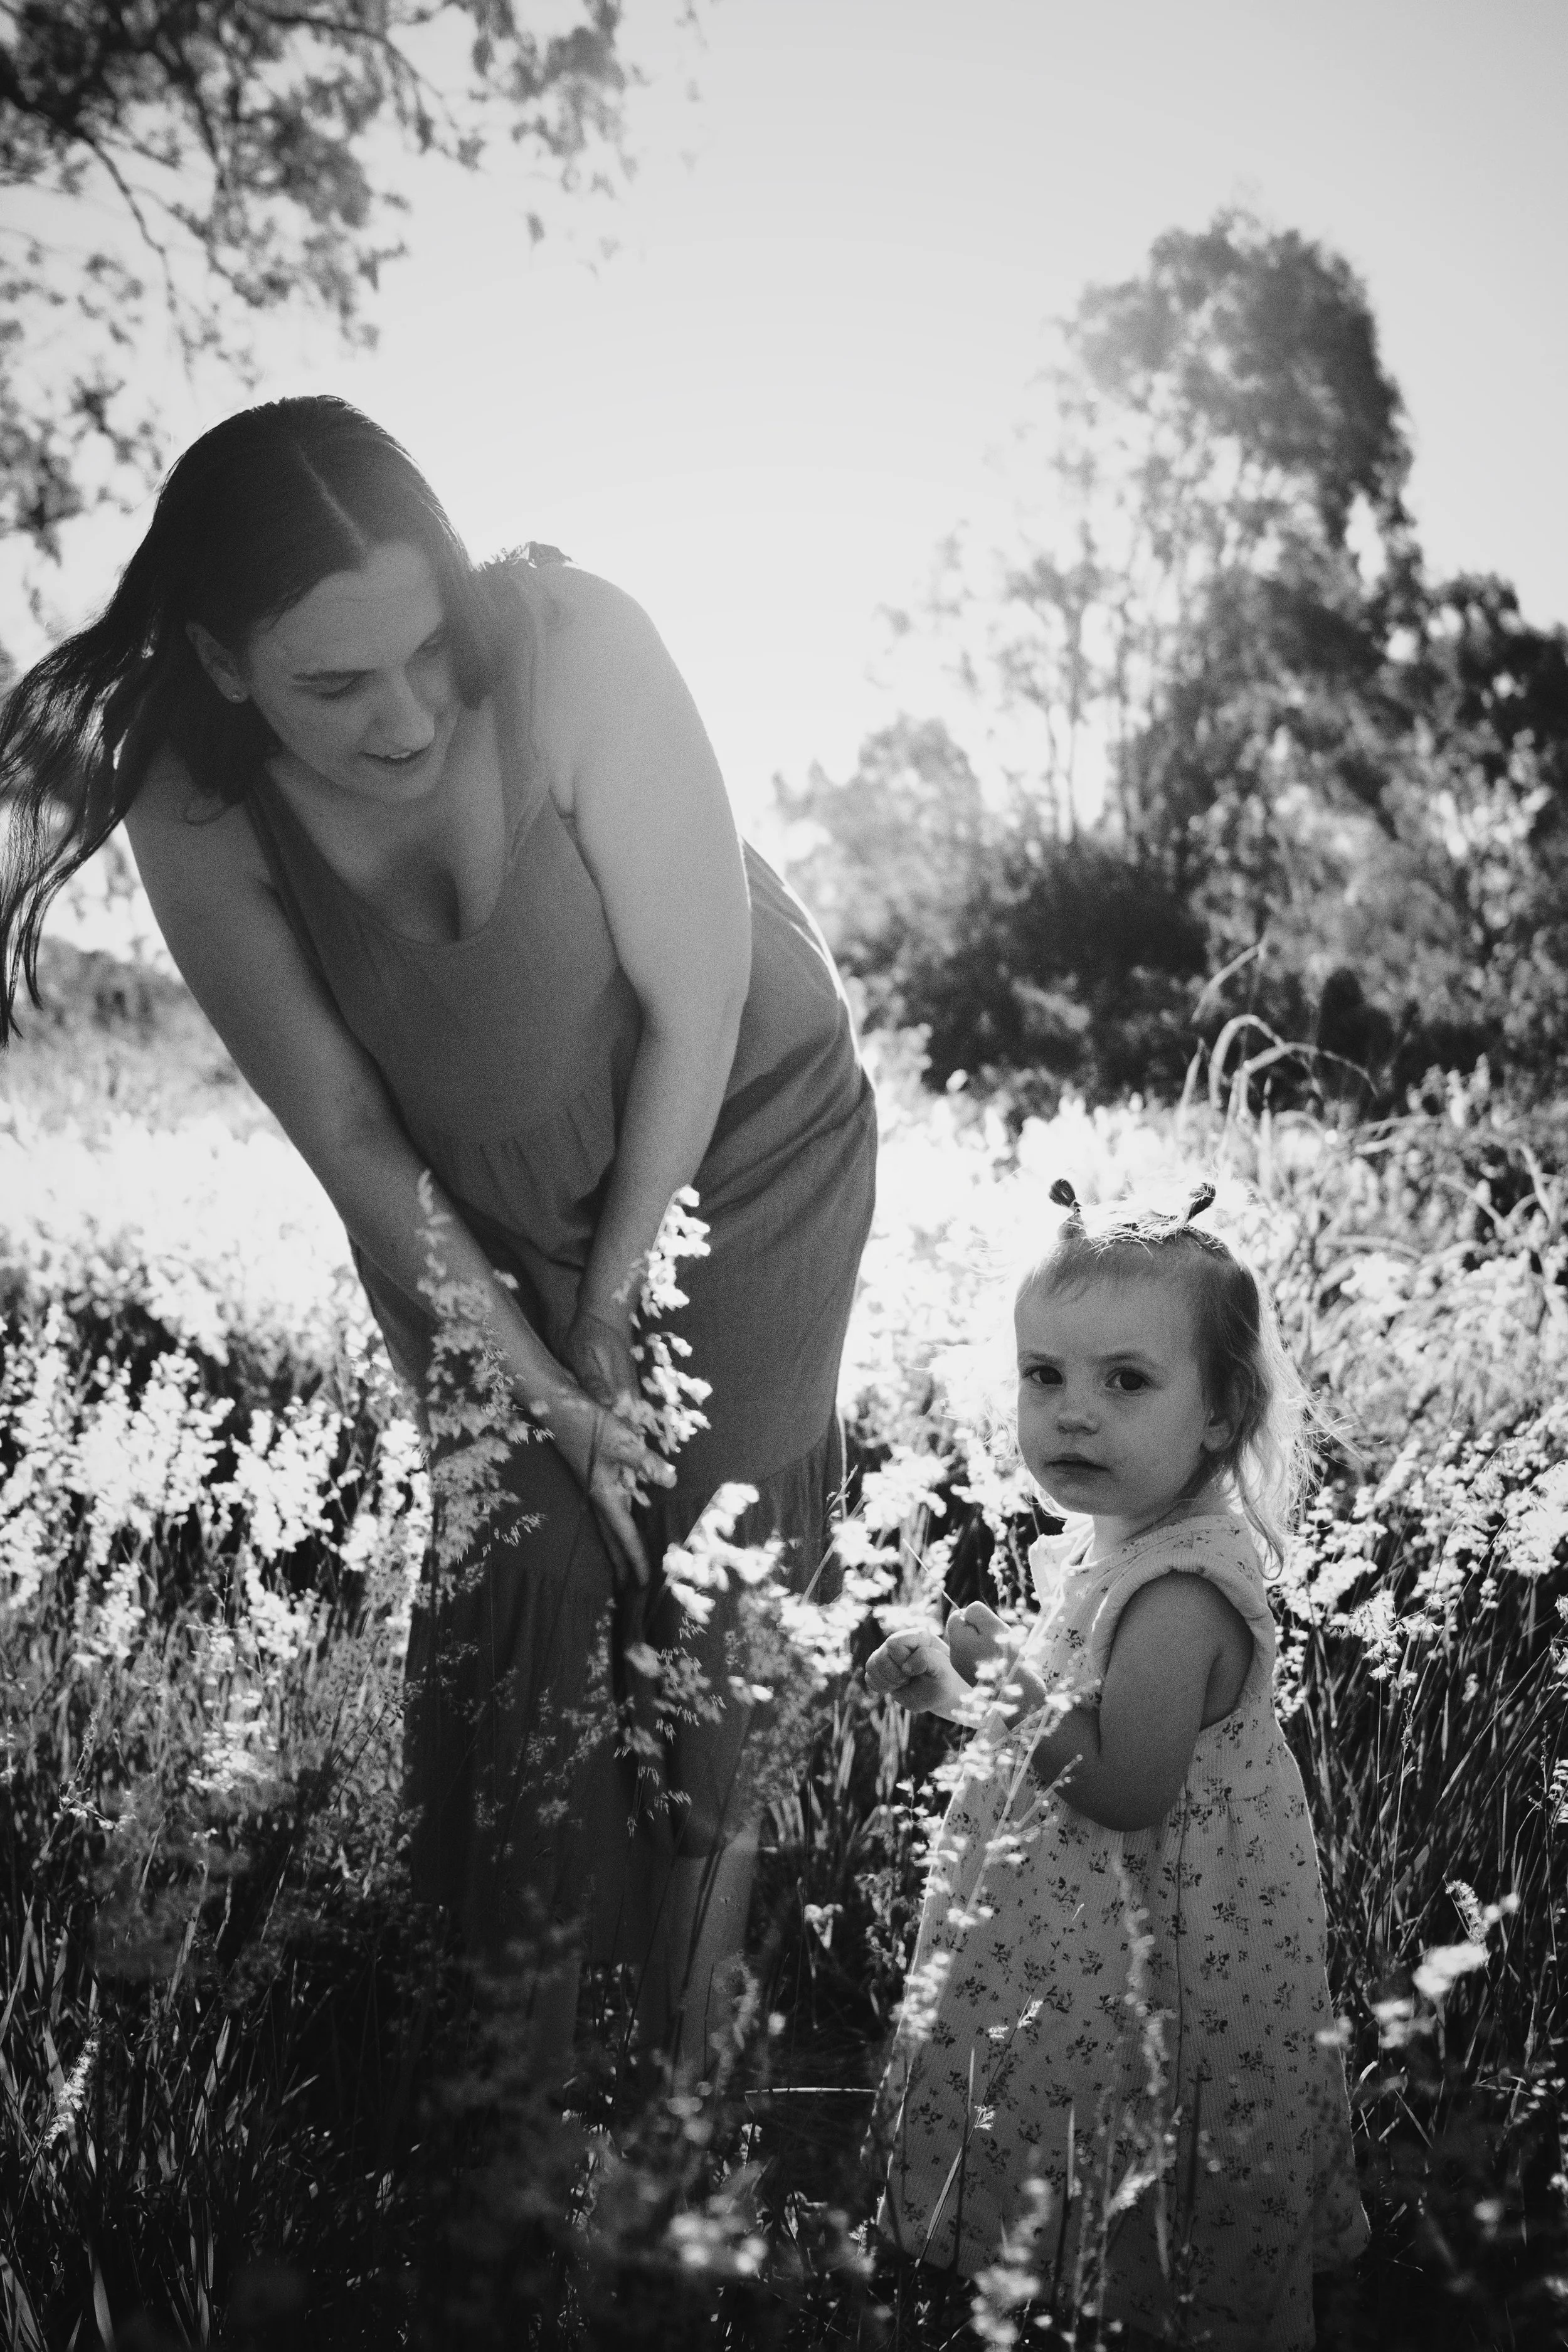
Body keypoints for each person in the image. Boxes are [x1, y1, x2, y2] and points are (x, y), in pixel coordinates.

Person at [0, 395, 877, 2080]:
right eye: (336, 683)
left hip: (737, 1141)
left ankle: (695, 2072)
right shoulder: (195, 803)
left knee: (708, 1578)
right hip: (448, 1205)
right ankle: (512, 2061)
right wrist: (543, 1383)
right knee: (536, 1559)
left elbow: (695, 1011)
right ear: (224, 661)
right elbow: (343, 1129)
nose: (403, 718)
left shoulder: (583, 648)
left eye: (426, 655)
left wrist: (612, 1306)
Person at [865, 1177, 1367, 2350]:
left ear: (1220, 1413)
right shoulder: (1124, 1546)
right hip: (1095, 1943)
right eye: (1045, 1375)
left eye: (1124, 1381)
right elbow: (1070, 1739)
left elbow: (1128, 1787)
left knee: (1152, 2181)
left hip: (1166, 1958)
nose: (1072, 1414)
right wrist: (956, 1690)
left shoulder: (1182, 1595)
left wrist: (1005, 1686)